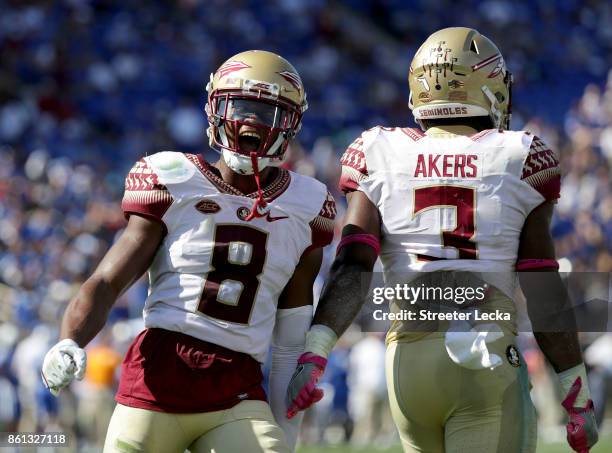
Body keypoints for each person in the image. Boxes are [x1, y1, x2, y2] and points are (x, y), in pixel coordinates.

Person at [285, 27, 598, 453]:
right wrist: (575, 392)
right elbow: (542, 286)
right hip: (483, 357)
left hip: (408, 365)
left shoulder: (380, 150)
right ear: (486, 85)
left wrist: (316, 351)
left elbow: (353, 263)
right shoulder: (519, 155)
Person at [41, 50, 336, 453]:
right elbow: (109, 280)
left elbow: (289, 335)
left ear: (291, 123)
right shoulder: (173, 179)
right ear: (215, 108)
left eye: (267, 112)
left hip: (237, 389)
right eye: (242, 105)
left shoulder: (308, 205)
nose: (251, 121)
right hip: (157, 380)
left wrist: (286, 430)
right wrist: (70, 339)